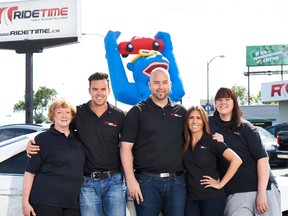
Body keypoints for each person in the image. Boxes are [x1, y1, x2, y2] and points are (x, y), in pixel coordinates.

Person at [26, 72, 127, 216]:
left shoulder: (119, 115)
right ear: (89, 91)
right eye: (95, 89)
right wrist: (32, 143)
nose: (99, 93)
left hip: (115, 182)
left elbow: (127, 145)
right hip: (87, 183)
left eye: (103, 89)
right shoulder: (79, 113)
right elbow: (59, 128)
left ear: (109, 91)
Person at [120, 67, 187, 216]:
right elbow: (125, 148)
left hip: (177, 183)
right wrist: (131, 181)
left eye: (164, 82)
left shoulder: (181, 112)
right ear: (149, 85)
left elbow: (195, 138)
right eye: (156, 83)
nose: (161, 87)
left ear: (170, 84)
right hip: (146, 182)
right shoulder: (137, 112)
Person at [209, 87, 281, 216]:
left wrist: (261, 193)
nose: (223, 102)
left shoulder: (246, 128)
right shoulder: (210, 124)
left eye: (227, 99)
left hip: (262, 188)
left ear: (234, 102)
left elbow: (262, 159)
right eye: (219, 99)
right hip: (235, 192)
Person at [22, 98, 85, 216]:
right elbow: (30, 172)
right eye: (59, 112)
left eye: (67, 112)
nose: (64, 116)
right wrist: (25, 202)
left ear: (72, 116)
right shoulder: (42, 139)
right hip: (45, 202)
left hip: (73, 204)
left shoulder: (78, 138)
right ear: (52, 116)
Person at [183, 105, 242, 216]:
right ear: (187, 121)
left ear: (204, 121)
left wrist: (221, 184)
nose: (194, 121)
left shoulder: (212, 140)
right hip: (191, 198)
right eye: (191, 118)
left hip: (212, 198)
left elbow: (236, 160)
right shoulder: (184, 142)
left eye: (198, 118)